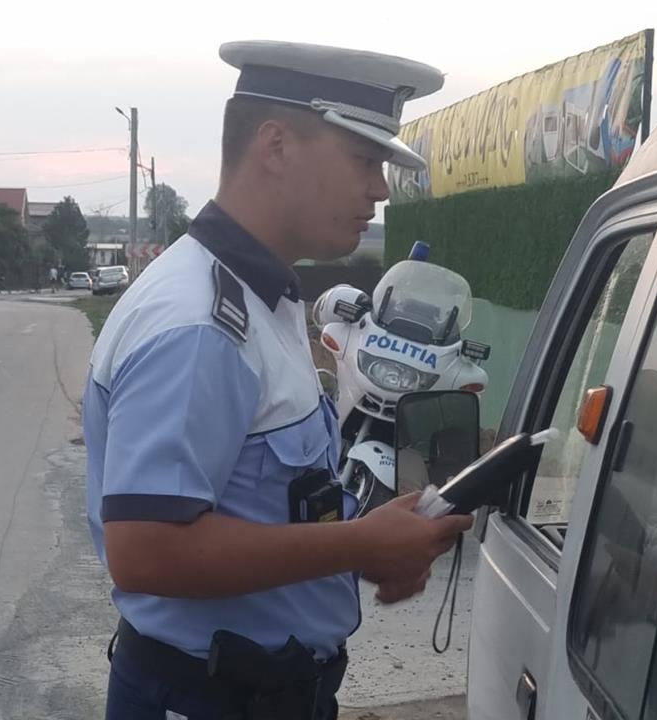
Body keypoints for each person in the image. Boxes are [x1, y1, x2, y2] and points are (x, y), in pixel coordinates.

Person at [83, 40, 473, 720]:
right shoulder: (198, 323)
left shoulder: (263, 296)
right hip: (207, 698)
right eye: (365, 160)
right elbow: (148, 549)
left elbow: (264, 503)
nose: (381, 189)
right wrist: (359, 544)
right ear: (275, 146)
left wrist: (367, 544)